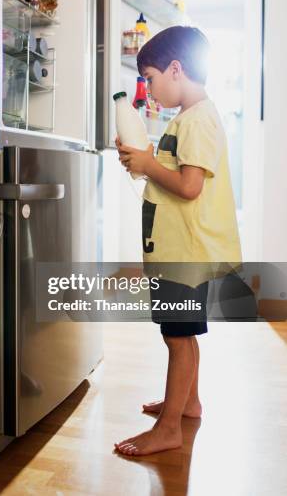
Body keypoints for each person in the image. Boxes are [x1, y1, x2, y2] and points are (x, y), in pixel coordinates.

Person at [114, 26, 242, 456]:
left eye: (149, 78)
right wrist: (145, 159)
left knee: (177, 338)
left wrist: (149, 165)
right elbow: (174, 171)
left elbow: (189, 187)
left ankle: (169, 428)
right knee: (183, 335)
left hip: (185, 253)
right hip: (177, 250)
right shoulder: (188, 119)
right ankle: (187, 403)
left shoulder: (199, 118)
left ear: (175, 68)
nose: (148, 90)